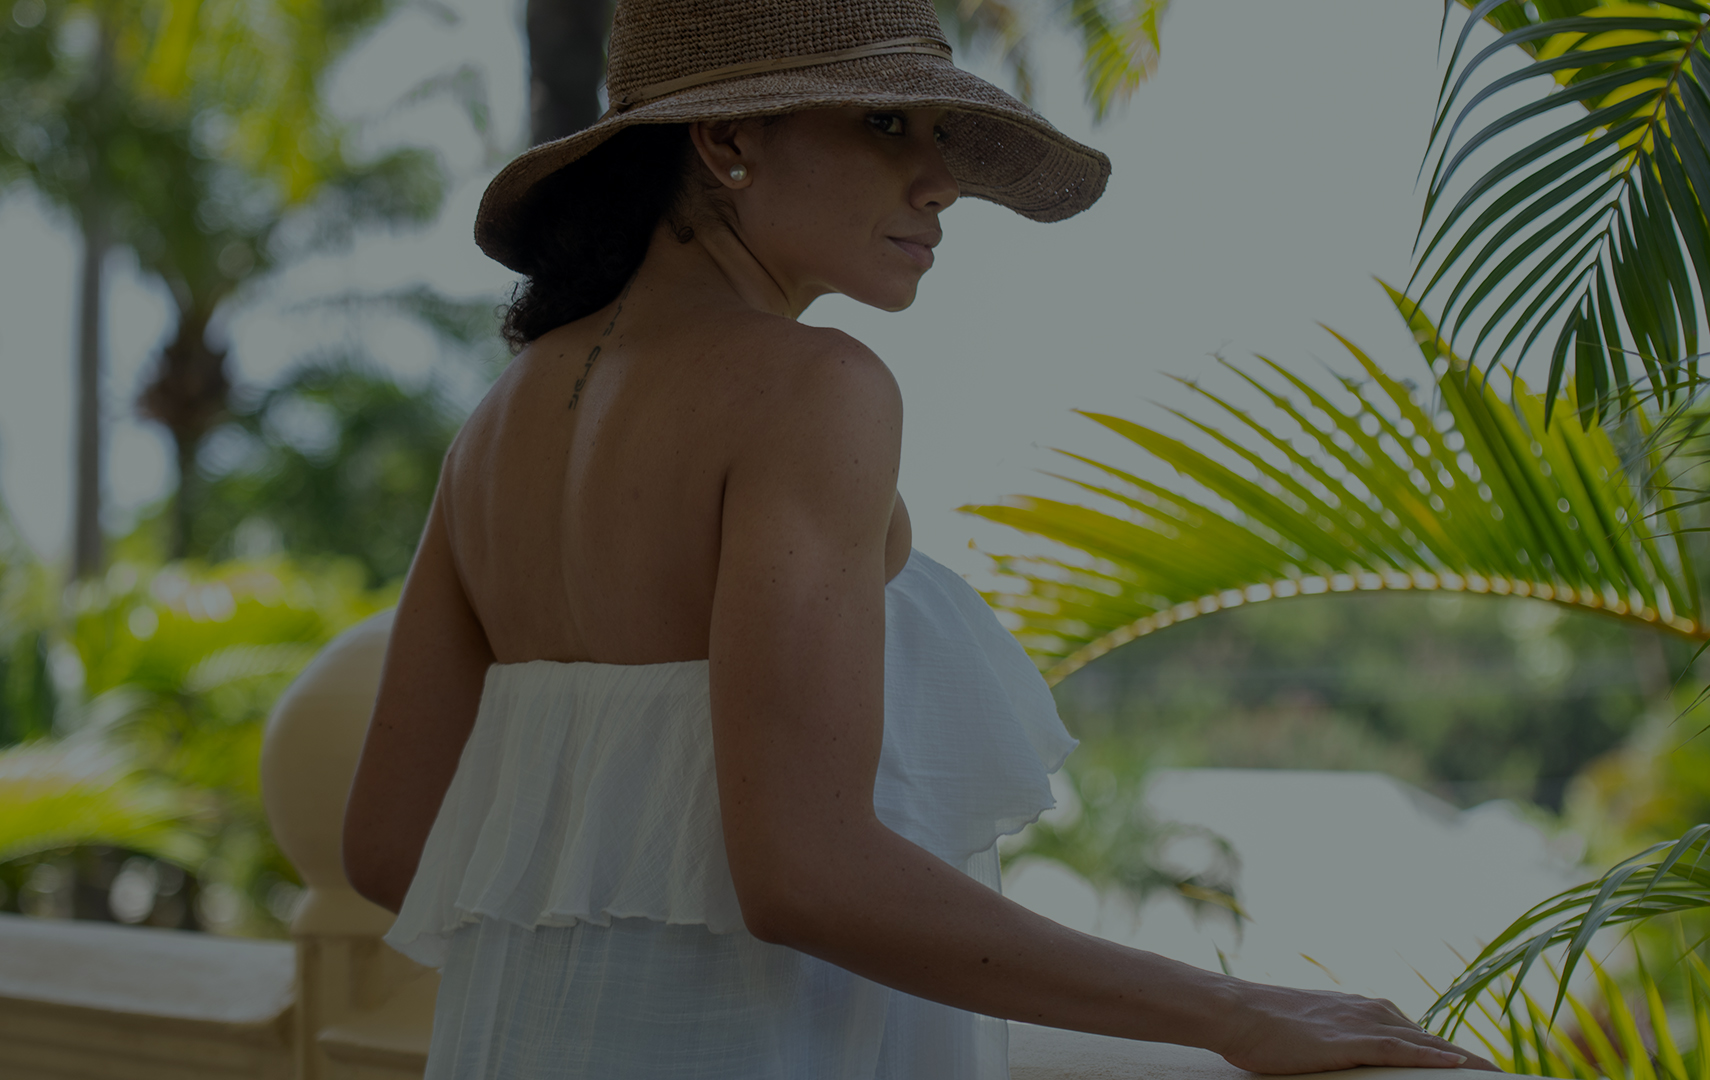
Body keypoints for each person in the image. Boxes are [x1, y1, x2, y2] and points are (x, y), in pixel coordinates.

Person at [340, 0, 1500, 1076]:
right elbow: (805, 870)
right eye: (888, 124)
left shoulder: (501, 418)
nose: (940, 180)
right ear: (728, 142)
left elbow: (388, 846)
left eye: (938, 131)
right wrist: (1237, 1012)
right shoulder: (814, 392)